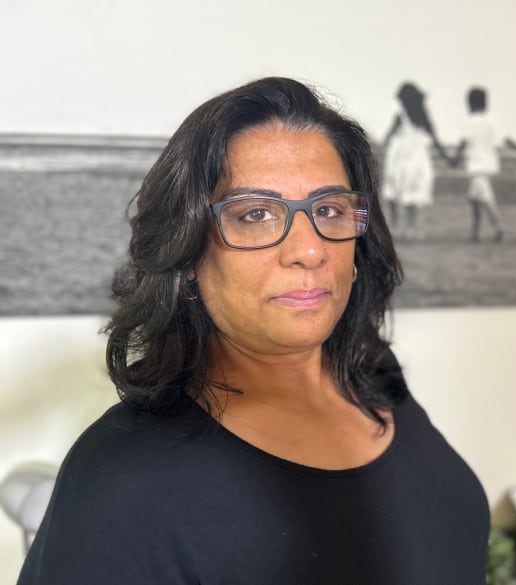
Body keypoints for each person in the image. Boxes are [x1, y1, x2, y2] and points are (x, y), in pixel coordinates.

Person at [17, 77, 490, 585]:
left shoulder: (374, 375)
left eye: (328, 209)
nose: (310, 250)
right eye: (257, 214)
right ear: (190, 253)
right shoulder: (124, 478)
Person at [382, 81, 451, 239]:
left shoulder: (400, 117)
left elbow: (387, 137)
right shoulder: (424, 118)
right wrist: (448, 159)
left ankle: (394, 225)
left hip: (399, 156)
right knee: (413, 191)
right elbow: (436, 140)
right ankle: (411, 227)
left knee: (394, 190)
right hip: (417, 158)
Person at [452, 87, 516, 243]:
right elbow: (506, 140)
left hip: (476, 165)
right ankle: (475, 232)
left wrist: (454, 159)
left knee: (485, 197)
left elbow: (463, 143)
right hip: (488, 163)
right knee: (474, 198)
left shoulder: (470, 122)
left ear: (470, 103)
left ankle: (499, 226)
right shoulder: (492, 121)